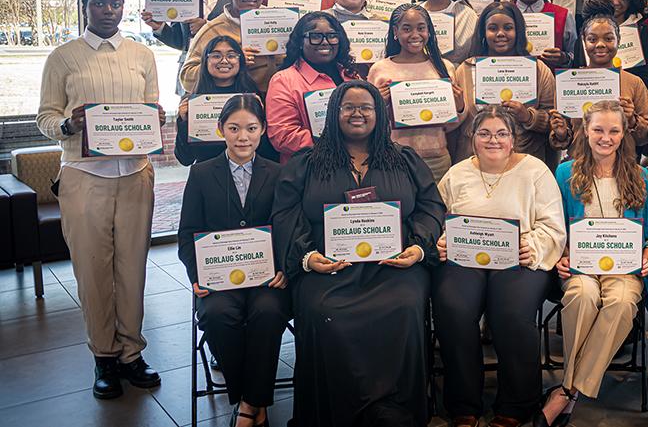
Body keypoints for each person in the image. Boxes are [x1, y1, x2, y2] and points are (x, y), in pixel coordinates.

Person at [271, 80, 445, 426]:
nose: (357, 114)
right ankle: (336, 412)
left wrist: (417, 246)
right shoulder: (308, 162)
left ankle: (396, 410)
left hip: (394, 265)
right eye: (347, 107)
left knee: (406, 305)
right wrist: (307, 258)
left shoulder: (403, 159)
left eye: (366, 107)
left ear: (379, 114)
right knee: (322, 310)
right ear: (333, 113)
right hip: (328, 265)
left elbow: (430, 206)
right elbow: (285, 214)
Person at [37, 0, 165, 399]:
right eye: (99, 4)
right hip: (83, 175)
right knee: (92, 272)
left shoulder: (142, 54)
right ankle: (104, 357)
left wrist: (155, 120)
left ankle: (131, 353)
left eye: (115, 3)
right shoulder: (63, 57)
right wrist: (67, 124)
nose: (108, 10)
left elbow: (151, 107)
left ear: (123, 7)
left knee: (132, 269)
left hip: (135, 175)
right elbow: (46, 116)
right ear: (86, 6)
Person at [434, 106, 567, 427]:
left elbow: (553, 227)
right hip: (466, 260)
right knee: (452, 307)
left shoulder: (535, 171)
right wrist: (441, 240)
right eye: (485, 133)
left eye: (501, 133)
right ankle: (463, 404)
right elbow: (438, 219)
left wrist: (530, 246)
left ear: (513, 138)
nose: (493, 140)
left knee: (510, 312)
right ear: (472, 138)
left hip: (520, 259)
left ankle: (517, 404)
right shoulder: (457, 173)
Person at [539, 100, 648, 426]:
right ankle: (574, 386)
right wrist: (559, 257)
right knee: (582, 295)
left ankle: (567, 390)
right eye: (598, 130)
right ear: (585, 131)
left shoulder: (637, 174)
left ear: (624, 134)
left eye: (613, 131)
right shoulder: (565, 172)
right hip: (580, 266)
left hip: (624, 268)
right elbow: (552, 226)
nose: (605, 138)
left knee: (621, 302)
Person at [176, 94, 291, 427]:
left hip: (267, 277)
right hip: (218, 279)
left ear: (263, 130)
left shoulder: (278, 173)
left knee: (268, 312)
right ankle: (254, 400)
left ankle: (249, 403)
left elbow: (287, 227)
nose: (243, 137)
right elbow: (188, 234)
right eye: (234, 128)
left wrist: (284, 266)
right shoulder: (201, 174)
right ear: (220, 129)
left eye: (252, 128)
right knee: (216, 314)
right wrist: (197, 275)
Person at [368, 3, 468, 181]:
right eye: (407, 29)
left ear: (429, 31)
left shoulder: (444, 67)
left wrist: (459, 107)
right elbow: (370, 123)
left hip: (437, 159)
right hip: (394, 157)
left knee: (437, 208)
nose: (415, 35)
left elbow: (450, 125)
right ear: (395, 32)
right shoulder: (380, 69)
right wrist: (379, 105)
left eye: (421, 28)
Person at [451, 2, 556, 168]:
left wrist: (529, 117)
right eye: (493, 28)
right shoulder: (465, 69)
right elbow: (455, 124)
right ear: (483, 33)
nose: (500, 34)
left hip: (524, 162)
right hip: (475, 163)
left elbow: (554, 120)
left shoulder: (538, 69)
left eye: (508, 28)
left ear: (519, 31)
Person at [548, 14, 648, 155]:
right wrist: (561, 134)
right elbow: (564, 136)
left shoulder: (634, 83)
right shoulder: (568, 82)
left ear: (619, 41)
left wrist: (632, 120)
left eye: (609, 39)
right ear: (584, 42)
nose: (600, 44)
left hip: (622, 167)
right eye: (592, 39)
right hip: (580, 165)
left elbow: (645, 137)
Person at [265, 12, 360, 162]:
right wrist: (340, 141)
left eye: (332, 36)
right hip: (310, 169)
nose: (325, 42)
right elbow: (282, 136)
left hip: (355, 163)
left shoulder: (350, 74)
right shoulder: (283, 80)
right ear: (300, 42)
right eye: (315, 36)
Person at [181, 0, 283, 94]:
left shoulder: (279, 21)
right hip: (232, 105)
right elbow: (186, 78)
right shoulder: (213, 29)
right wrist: (230, 60)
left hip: (274, 99)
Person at [174, 34, 278, 166]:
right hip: (209, 178)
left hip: (251, 176)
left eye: (231, 55)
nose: (224, 61)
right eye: (216, 56)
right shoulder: (192, 103)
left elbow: (268, 153)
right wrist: (183, 122)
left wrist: (261, 117)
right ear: (205, 61)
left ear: (240, 60)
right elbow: (185, 159)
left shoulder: (254, 99)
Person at [509, 0, 575, 68]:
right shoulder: (505, 15)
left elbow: (575, 56)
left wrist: (564, 58)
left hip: (552, 82)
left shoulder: (563, 15)